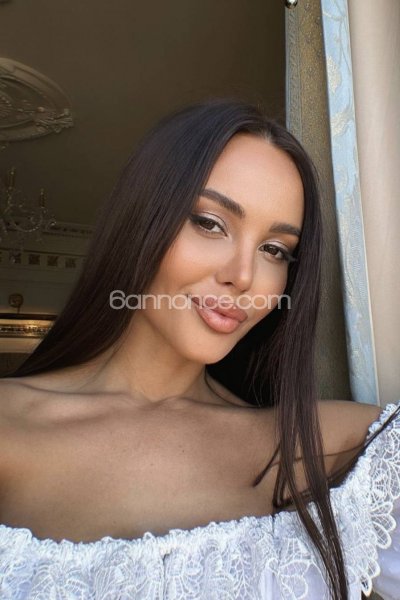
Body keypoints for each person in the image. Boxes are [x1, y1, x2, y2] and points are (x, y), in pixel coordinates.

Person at [0, 98, 399, 600]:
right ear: (141, 218)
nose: (244, 276)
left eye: (275, 250)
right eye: (210, 223)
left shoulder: (329, 447)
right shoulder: (9, 426)